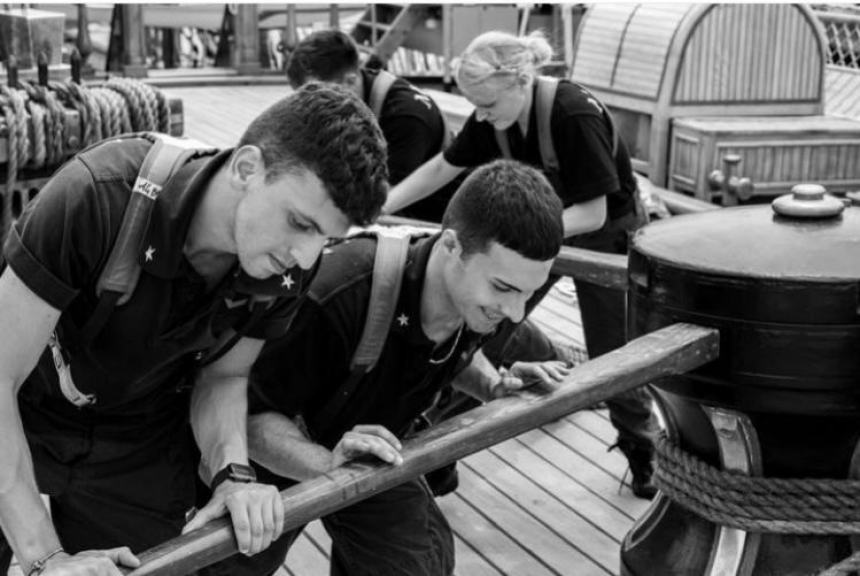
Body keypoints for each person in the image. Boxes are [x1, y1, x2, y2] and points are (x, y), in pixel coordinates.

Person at [0, 83, 388, 576]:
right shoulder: (96, 196)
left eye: (328, 238)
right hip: (21, 405)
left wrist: (232, 475)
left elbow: (224, 376)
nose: (307, 256)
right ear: (248, 168)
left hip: (136, 433)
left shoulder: (285, 265)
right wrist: (45, 559)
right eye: (300, 222)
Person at [201, 159, 568, 576]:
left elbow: (452, 346)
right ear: (450, 246)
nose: (516, 313)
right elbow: (248, 417)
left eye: (529, 293)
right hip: (276, 453)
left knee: (418, 563)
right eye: (503, 288)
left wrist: (495, 386)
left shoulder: (479, 299)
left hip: (372, 448)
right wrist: (326, 466)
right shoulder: (337, 297)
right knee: (218, 565)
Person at [383, 30, 660, 499]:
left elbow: (594, 212)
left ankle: (643, 451)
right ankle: (440, 450)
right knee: (476, 333)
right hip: (533, 234)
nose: (481, 115)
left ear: (520, 82)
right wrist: (384, 202)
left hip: (601, 237)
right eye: (475, 105)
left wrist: (512, 237)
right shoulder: (494, 116)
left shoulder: (572, 114)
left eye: (487, 104)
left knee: (614, 355)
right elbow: (443, 167)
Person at [286, 28, 456, 222]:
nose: (310, 105)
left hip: (428, 218)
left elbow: (379, 205)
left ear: (349, 81)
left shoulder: (406, 117)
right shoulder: (341, 99)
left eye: (317, 95)